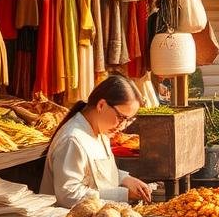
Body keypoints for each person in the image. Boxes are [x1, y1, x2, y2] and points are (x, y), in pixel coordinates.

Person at [41, 74, 152, 208]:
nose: (122, 126)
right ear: (101, 105)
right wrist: (122, 194)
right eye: (121, 117)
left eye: (128, 120)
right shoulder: (72, 139)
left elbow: (99, 174)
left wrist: (125, 179)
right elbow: (68, 196)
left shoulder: (101, 131)